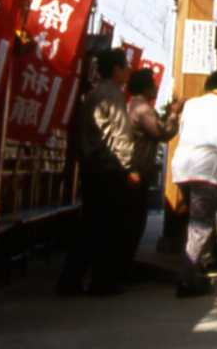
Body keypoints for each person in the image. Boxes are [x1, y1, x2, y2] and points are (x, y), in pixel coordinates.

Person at [57, 47, 138, 296]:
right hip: (109, 169)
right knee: (107, 226)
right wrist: (129, 167)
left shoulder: (95, 94)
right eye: (125, 65)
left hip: (93, 166)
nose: (128, 70)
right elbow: (121, 135)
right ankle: (102, 281)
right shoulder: (112, 95)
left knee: (92, 224)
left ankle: (73, 278)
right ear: (115, 69)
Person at [171, 69, 217, 297]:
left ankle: (201, 264)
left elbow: (183, 133)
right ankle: (187, 276)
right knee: (201, 224)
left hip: (183, 167)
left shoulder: (191, 105)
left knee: (197, 220)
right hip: (207, 169)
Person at [125, 68, 182, 274]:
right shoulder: (143, 109)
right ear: (146, 87)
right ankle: (124, 266)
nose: (156, 87)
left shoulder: (132, 104)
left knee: (132, 219)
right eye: (153, 84)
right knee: (134, 220)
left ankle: (123, 264)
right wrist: (174, 113)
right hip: (137, 169)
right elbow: (163, 132)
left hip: (132, 168)